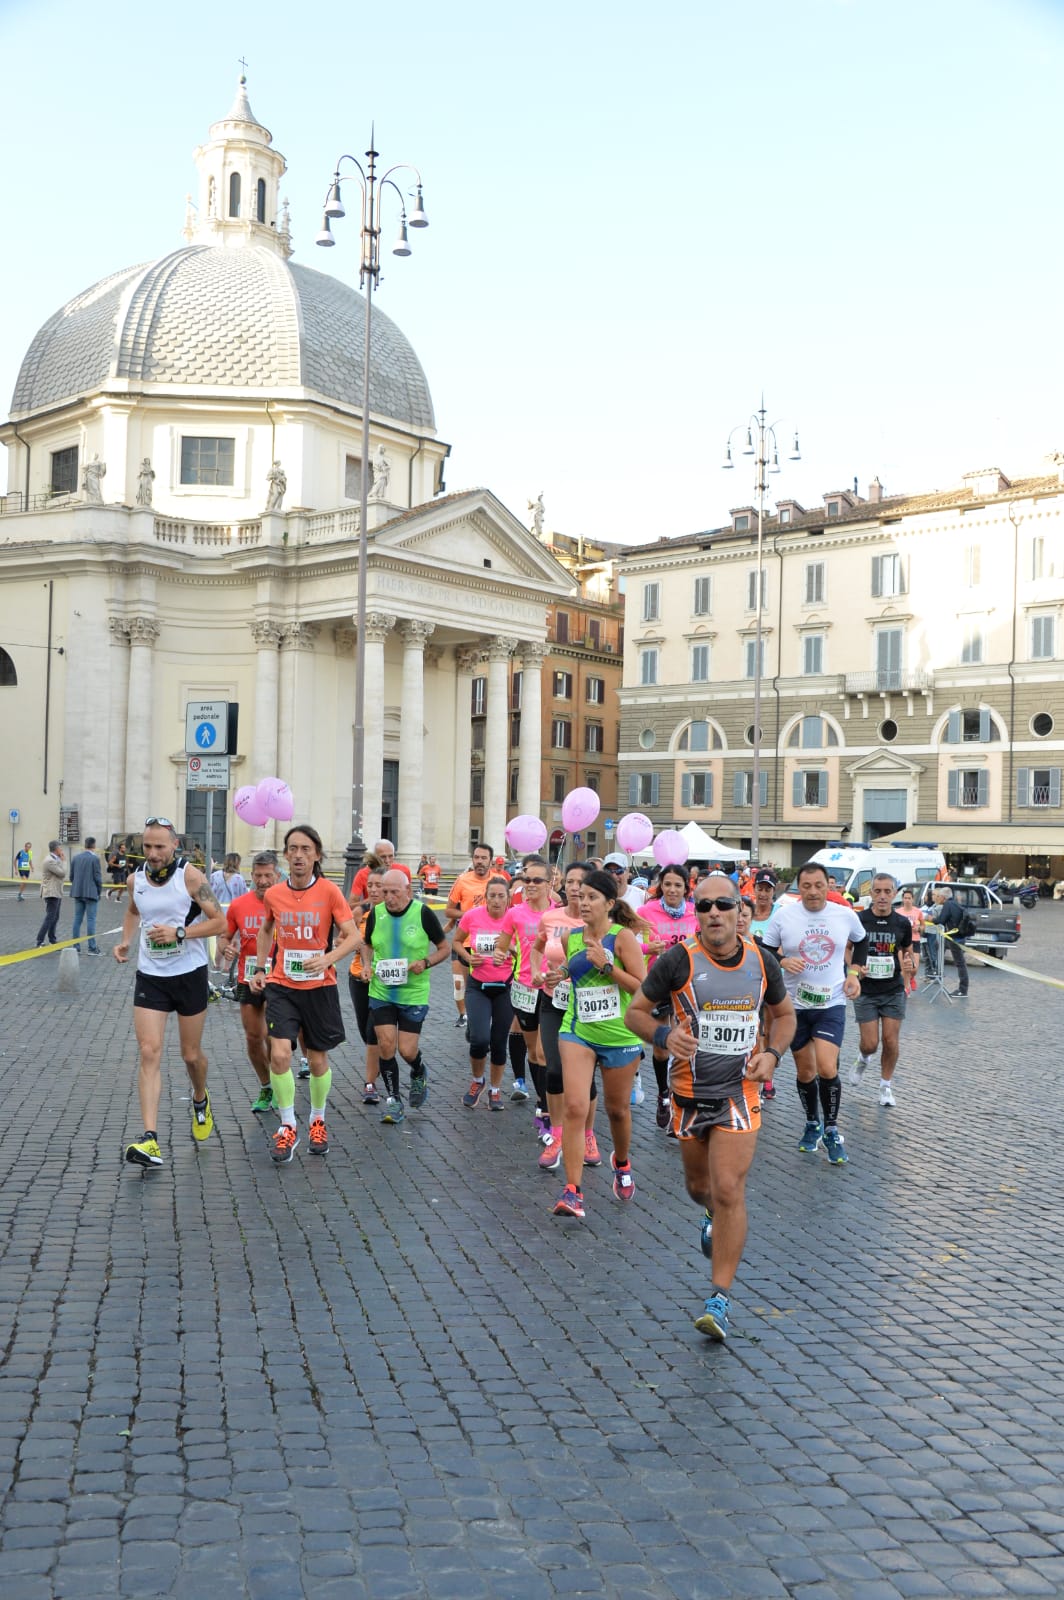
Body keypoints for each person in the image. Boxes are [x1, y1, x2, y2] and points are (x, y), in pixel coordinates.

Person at [627, 873, 795, 1342]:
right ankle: (710, 1215)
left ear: (740, 910)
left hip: (740, 1094)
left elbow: (784, 1016)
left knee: (727, 1188)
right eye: (704, 906)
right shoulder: (677, 961)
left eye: (724, 904)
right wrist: (664, 1035)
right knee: (699, 1188)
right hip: (688, 1096)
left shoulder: (762, 961)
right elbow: (635, 1013)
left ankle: (719, 1298)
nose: (714, 913)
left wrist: (772, 1054)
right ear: (695, 914)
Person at [114, 817, 228, 1167]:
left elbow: (219, 921)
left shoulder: (191, 878)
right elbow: (133, 910)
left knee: (190, 1055)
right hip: (151, 977)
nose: (153, 853)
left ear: (175, 845)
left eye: (160, 846)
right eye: (148, 846)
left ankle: (199, 1097)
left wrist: (179, 933)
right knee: (149, 1051)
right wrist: (126, 940)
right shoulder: (135, 880)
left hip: (189, 974)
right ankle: (150, 1139)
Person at [250, 825, 359, 1162]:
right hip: (282, 985)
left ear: (316, 855)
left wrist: (328, 959)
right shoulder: (274, 894)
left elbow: (354, 936)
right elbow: (266, 929)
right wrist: (259, 968)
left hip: (319, 987)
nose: (298, 855)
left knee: (317, 1060)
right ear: (286, 855)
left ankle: (317, 1120)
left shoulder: (329, 892)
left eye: (305, 849)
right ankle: (287, 1125)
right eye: (293, 849)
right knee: (280, 1055)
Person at [549, 868, 647, 1218]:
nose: (584, 902)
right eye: (581, 896)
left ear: (609, 903)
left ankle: (621, 1162)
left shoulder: (623, 938)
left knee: (617, 1110)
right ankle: (572, 1191)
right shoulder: (570, 937)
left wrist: (608, 967)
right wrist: (557, 976)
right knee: (575, 1107)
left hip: (620, 1035)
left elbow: (642, 988)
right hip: (578, 1030)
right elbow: (573, 970)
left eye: (592, 897)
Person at [759, 860, 867, 1164]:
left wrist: (853, 973)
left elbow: (861, 941)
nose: (813, 892)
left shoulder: (844, 914)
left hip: (831, 1002)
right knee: (805, 1072)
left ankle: (832, 1129)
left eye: (818, 885)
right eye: (806, 886)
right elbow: (766, 950)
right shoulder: (785, 916)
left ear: (828, 885)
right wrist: (782, 961)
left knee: (827, 1067)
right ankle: (812, 1123)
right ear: (799, 888)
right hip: (794, 1006)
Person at [362, 868, 450, 1123]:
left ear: (408, 890)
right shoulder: (376, 913)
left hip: (413, 993)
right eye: (385, 892)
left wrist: (426, 962)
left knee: (407, 1050)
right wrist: (366, 965)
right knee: (386, 1045)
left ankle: (418, 1070)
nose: (388, 897)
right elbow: (366, 943)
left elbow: (444, 948)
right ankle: (394, 1101)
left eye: (394, 892)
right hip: (381, 991)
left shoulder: (422, 913)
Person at [529, 861, 602, 1167]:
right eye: (570, 882)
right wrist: (535, 971)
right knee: (554, 1069)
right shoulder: (550, 918)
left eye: (580, 883)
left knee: (585, 1076)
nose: (574, 888)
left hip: (586, 1006)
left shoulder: (599, 921)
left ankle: (587, 1134)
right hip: (553, 1002)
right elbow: (537, 948)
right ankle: (557, 1135)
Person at [493, 856, 563, 1164]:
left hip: (551, 990)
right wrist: (501, 954)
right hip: (523, 988)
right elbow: (502, 945)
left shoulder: (559, 913)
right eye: (526, 880)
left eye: (536, 880)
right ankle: (540, 1101)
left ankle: (546, 1111)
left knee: (545, 1054)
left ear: (550, 884)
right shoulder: (515, 913)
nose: (529, 885)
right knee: (534, 1054)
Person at [217, 850, 281, 1113]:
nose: (263, 881)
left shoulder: (286, 902)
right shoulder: (239, 905)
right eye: (258, 875)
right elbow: (224, 937)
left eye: (268, 875)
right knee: (254, 1037)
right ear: (251, 875)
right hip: (248, 977)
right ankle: (266, 1086)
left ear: (277, 875)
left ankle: (280, 1082)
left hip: (279, 977)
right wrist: (226, 948)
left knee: (275, 1038)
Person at [639, 864, 699, 1129]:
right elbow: (625, 941)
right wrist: (647, 948)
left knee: (686, 1044)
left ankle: (682, 1100)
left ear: (686, 888)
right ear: (660, 886)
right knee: (662, 1049)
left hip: (688, 986)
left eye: (678, 885)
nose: (672, 890)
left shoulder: (695, 912)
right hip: (658, 984)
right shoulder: (645, 912)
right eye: (667, 884)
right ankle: (663, 1093)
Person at [849, 873, 913, 1107]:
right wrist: (854, 969)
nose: (883, 896)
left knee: (891, 1040)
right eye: (878, 891)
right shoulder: (859, 919)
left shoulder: (902, 923)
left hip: (893, 989)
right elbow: (847, 948)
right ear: (871, 893)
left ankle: (885, 1086)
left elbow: (909, 951)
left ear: (894, 894)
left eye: (887, 891)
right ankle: (863, 1058)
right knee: (870, 1043)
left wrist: (910, 967)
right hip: (866, 990)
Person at [453, 875, 516, 1111]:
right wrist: (468, 957)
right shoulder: (472, 916)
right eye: (492, 896)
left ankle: (495, 1090)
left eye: (501, 896)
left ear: (508, 898)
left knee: (499, 1042)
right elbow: (456, 942)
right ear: (485, 897)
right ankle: (477, 1081)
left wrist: (511, 948)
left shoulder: (515, 919)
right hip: (478, 986)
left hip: (505, 987)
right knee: (479, 1039)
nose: (496, 901)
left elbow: (529, 951)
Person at [443, 843, 495, 1029]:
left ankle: (481, 1017)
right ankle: (463, 1015)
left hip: (489, 941)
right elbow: (448, 911)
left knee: (485, 985)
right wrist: (470, 915)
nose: (479, 861)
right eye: (476, 857)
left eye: (484, 858)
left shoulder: (498, 881)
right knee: (460, 983)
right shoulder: (462, 881)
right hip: (464, 940)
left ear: (490, 861)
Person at [348, 867, 386, 1106]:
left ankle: (370, 1084)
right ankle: (378, 1062)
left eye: (378, 885)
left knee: (374, 1031)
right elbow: (345, 939)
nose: (373, 890)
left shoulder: (394, 915)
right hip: (358, 978)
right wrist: (350, 944)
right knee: (365, 1031)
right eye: (370, 885)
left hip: (383, 981)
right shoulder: (359, 912)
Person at [926, 886, 970, 997]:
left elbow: (941, 920)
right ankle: (937, 973)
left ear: (943, 897)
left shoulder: (948, 905)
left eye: (939, 896)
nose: (938, 898)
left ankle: (963, 990)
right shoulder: (955, 903)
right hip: (958, 937)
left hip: (954, 938)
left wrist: (931, 919)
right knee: (938, 946)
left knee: (960, 963)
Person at [69, 837, 103, 953]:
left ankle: (76, 946)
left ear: (85, 845)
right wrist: (99, 891)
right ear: (94, 846)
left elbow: (71, 876)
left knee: (77, 919)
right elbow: (98, 878)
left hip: (78, 892)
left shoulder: (76, 858)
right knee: (91, 920)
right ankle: (92, 947)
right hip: (91, 893)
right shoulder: (95, 859)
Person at [35, 842, 66, 946]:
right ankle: (39, 941)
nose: (61, 850)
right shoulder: (49, 861)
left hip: (56, 891)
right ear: (56, 849)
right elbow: (62, 873)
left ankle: (52, 939)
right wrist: (64, 861)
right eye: (60, 848)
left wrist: (60, 860)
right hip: (51, 892)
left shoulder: (55, 859)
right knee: (50, 917)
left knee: (55, 917)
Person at [898, 887, 925, 994]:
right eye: (905, 898)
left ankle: (911, 977)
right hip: (902, 941)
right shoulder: (898, 912)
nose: (907, 900)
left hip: (914, 940)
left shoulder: (918, 912)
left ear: (912, 899)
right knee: (904, 966)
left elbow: (923, 926)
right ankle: (905, 987)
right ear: (902, 899)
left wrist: (918, 928)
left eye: (909, 898)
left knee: (914, 968)